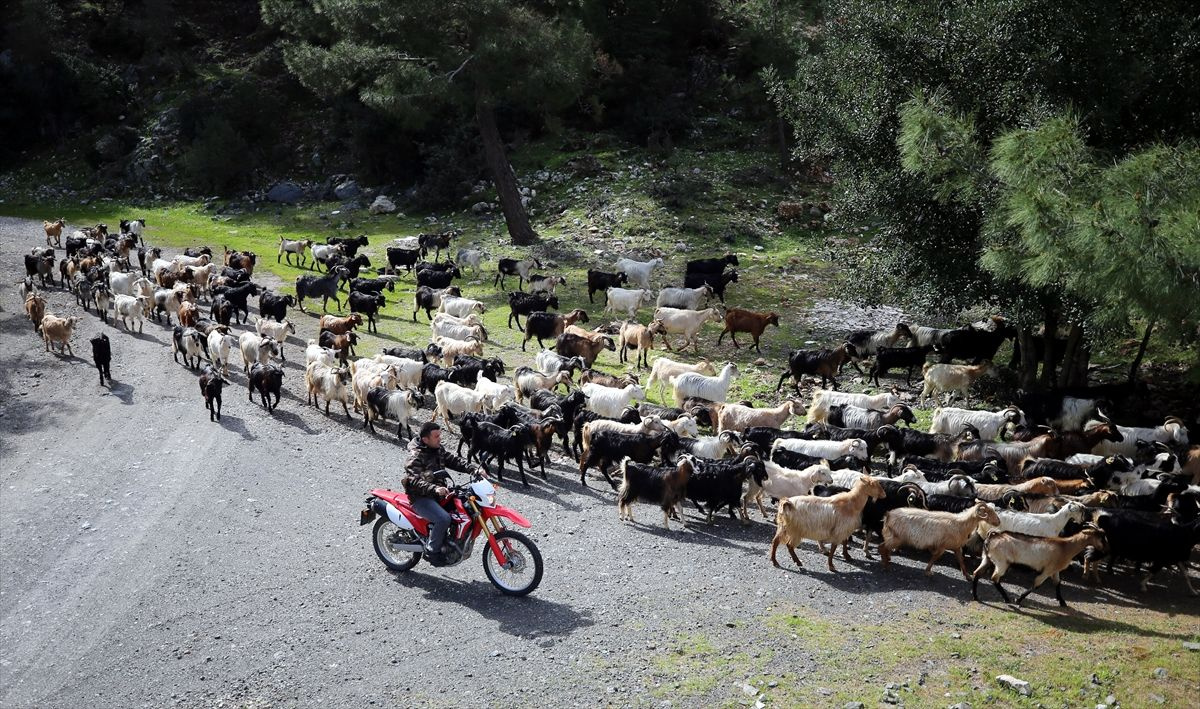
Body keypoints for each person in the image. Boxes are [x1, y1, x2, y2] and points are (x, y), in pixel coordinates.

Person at [402, 421, 483, 564]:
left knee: (465, 508)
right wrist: (434, 489)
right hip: (421, 498)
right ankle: (432, 551)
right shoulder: (415, 457)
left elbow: (453, 460)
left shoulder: (437, 448)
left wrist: (473, 469)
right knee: (443, 519)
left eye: (440, 435)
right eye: (436, 436)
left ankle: (452, 542)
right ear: (425, 439)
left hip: (439, 494)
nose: (440, 438)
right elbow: (413, 481)